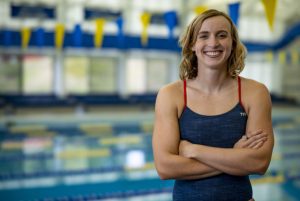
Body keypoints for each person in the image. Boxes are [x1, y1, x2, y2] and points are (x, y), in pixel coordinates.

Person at [152, 9, 274, 201]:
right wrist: (234, 156)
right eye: (203, 36)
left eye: (222, 35)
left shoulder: (255, 93)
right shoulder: (171, 95)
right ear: (192, 44)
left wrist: (194, 150)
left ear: (232, 43)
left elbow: (259, 162)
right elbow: (165, 167)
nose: (213, 43)